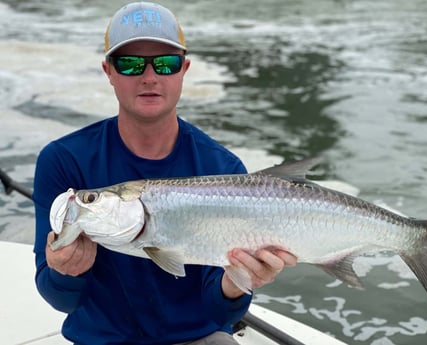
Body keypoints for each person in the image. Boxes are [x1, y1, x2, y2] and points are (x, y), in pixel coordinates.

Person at [32, 2, 297, 345]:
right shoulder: (64, 161)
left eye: (166, 63)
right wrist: (65, 270)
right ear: (108, 71)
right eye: (129, 64)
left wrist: (236, 283)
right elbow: (61, 300)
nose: (149, 77)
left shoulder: (224, 170)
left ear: (184, 69)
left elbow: (220, 315)